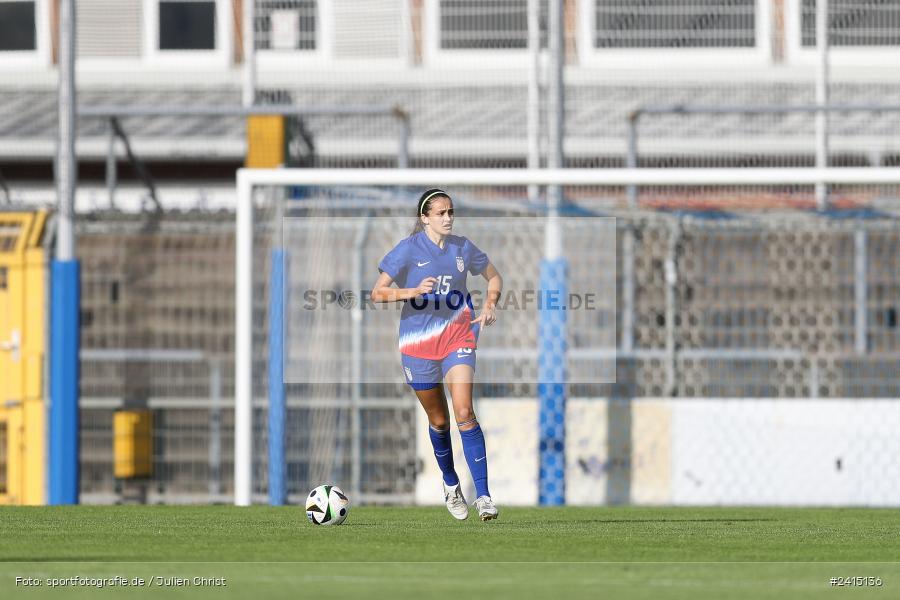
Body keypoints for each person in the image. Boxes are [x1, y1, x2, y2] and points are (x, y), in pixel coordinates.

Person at [371, 189, 503, 521]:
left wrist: (489, 306)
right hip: (418, 343)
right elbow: (377, 293)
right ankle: (450, 482)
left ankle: (484, 496)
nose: (447, 218)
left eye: (450, 212)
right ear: (424, 218)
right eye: (440, 213)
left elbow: (494, 276)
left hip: (458, 334)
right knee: (439, 420)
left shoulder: (462, 247)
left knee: (463, 410)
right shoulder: (408, 250)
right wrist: (411, 291)